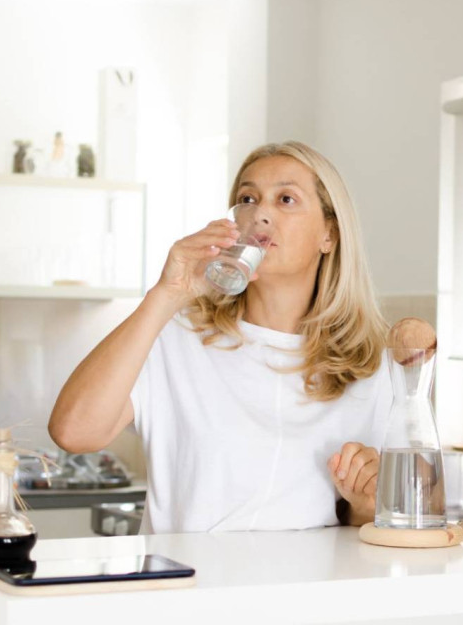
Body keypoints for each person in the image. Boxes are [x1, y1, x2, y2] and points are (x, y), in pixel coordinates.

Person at [48, 141, 393, 533]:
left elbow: (372, 516)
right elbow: (72, 432)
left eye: (285, 199)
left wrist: (366, 504)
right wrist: (166, 295)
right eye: (248, 198)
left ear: (329, 234)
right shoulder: (178, 337)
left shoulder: (368, 366)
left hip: (305, 591)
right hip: (187, 589)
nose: (260, 213)